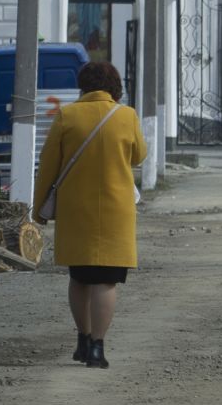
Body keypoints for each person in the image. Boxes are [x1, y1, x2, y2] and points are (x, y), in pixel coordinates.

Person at [33, 60, 146, 370]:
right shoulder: (127, 116)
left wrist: (38, 209)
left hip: (75, 211)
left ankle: (82, 339)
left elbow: (48, 166)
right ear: (114, 86)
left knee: (80, 278)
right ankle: (97, 348)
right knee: (105, 282)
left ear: (82, 85)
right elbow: (139, 156)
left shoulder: (67, 116)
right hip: (115, 213)